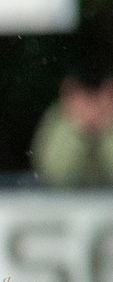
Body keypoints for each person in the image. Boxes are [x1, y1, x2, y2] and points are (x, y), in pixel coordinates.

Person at [31, 59, 113, 188]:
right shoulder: (58, 118)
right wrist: (77, 127)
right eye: (86, 99)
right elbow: (54, 176)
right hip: (66, 204)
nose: (91, 108)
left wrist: (106, 125)